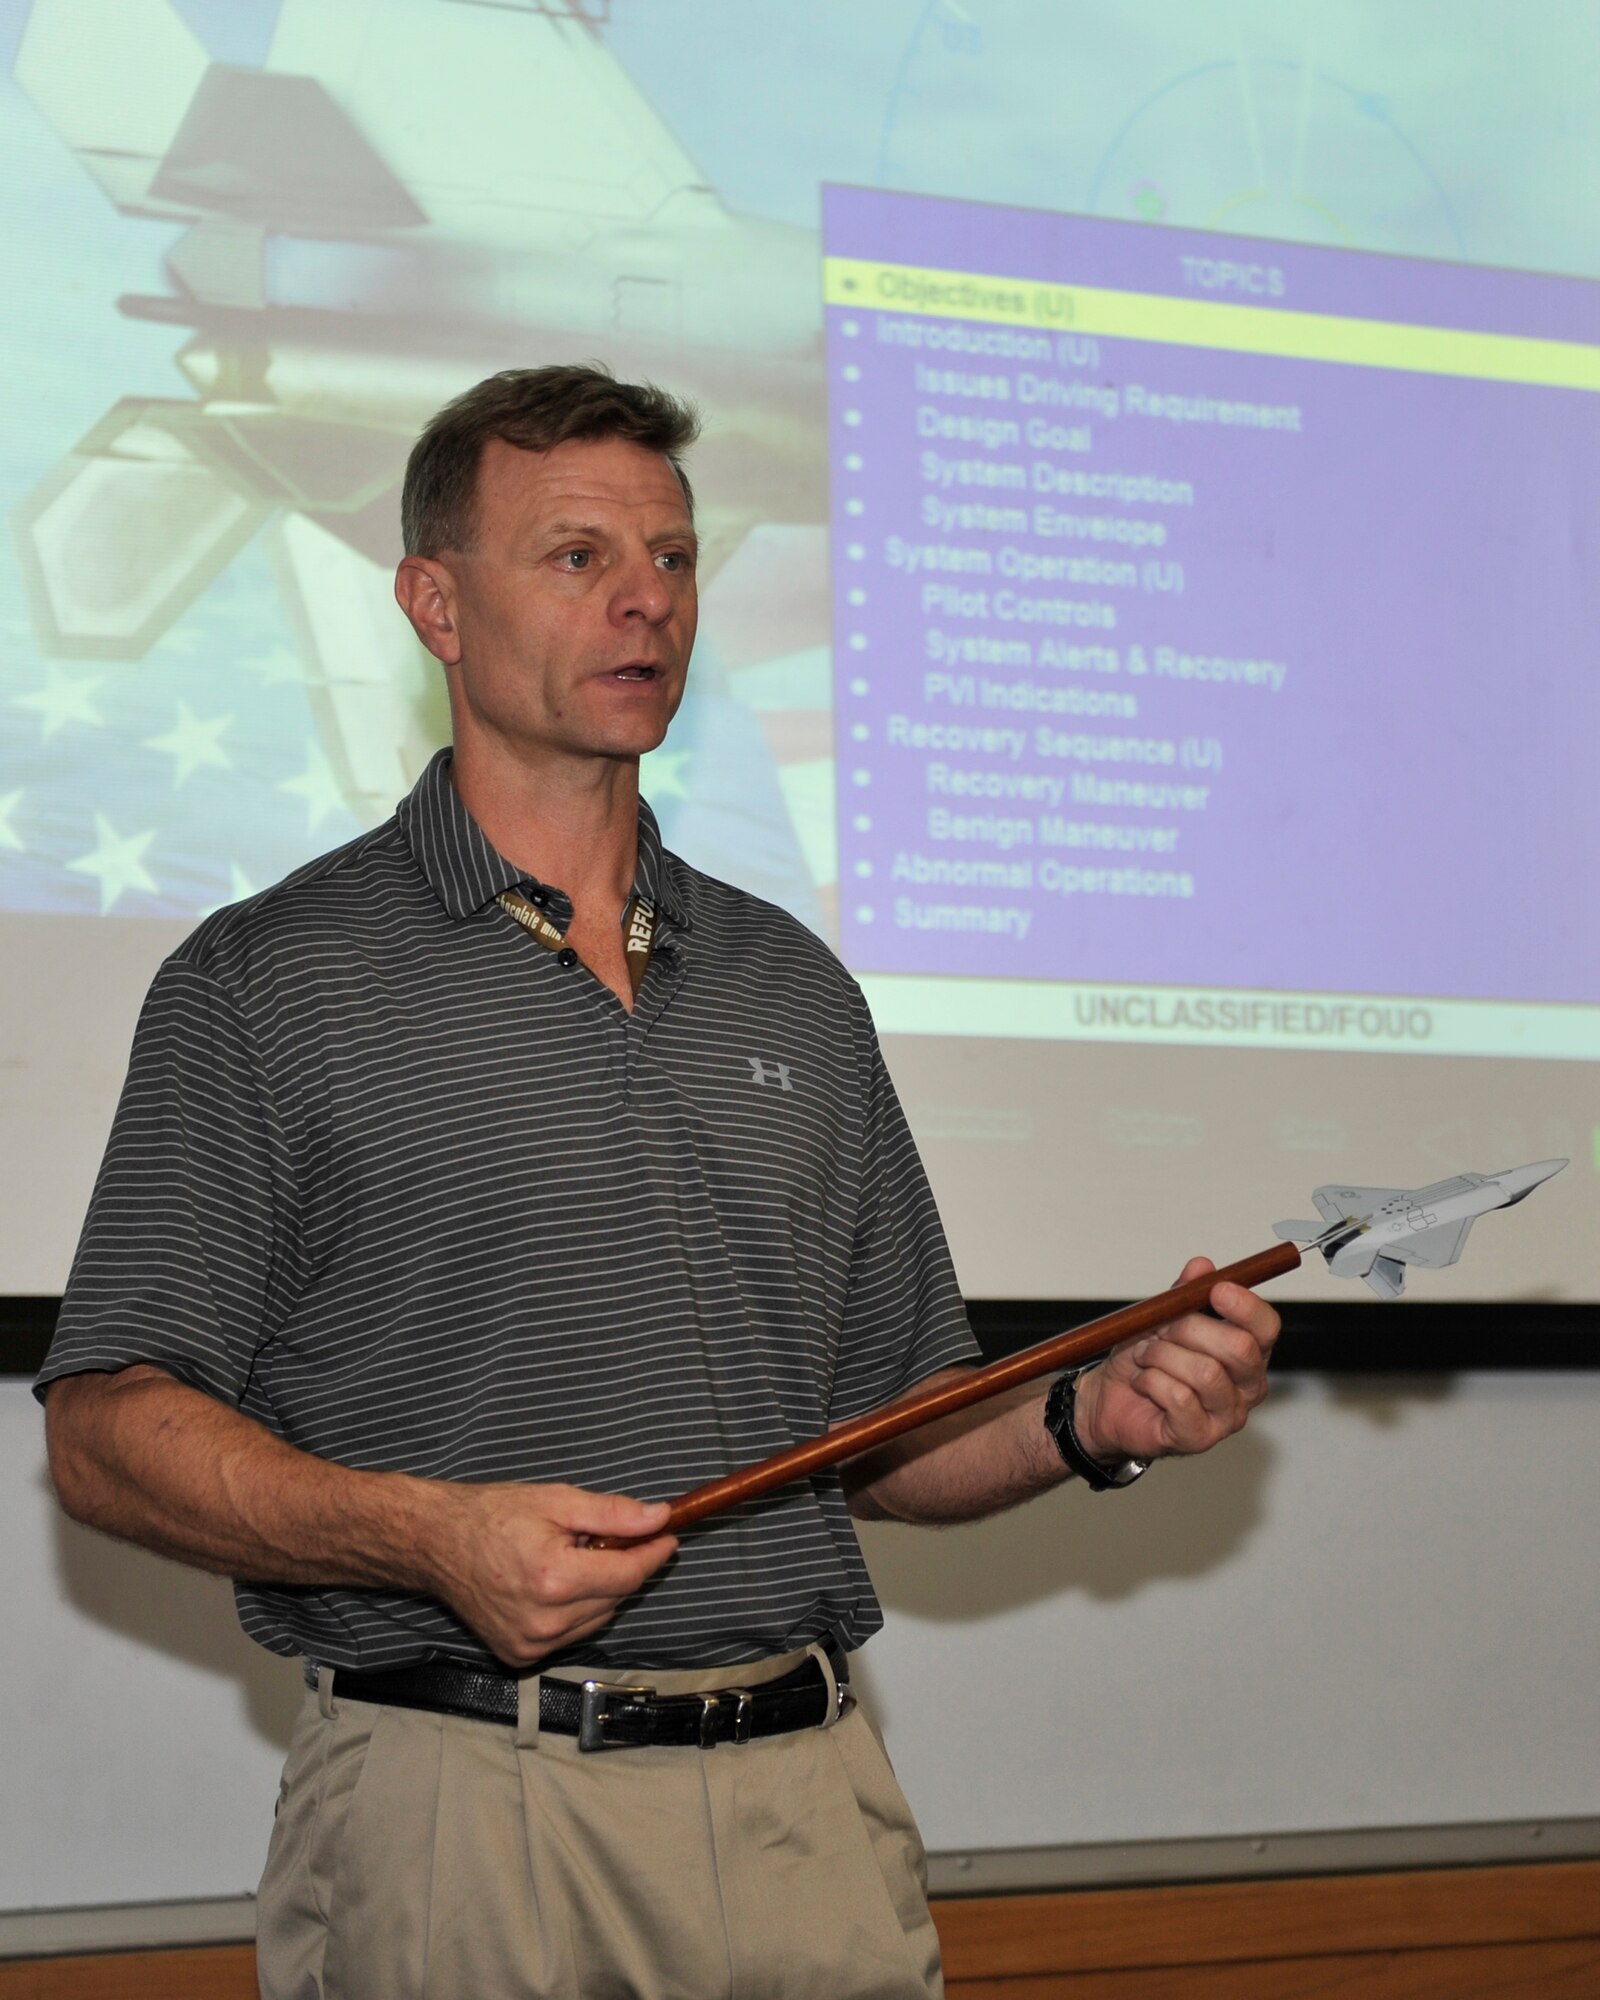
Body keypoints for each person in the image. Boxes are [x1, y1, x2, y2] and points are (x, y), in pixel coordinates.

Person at [38, 364, 1279, 2000]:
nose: (647, 601)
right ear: (434, 603)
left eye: (677, 559)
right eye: (577, 557)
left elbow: (893, 1431)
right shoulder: (272, 979)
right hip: (466, 1818)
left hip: (807, 1809)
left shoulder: (792, 988)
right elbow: (105, 1428)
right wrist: (429, 1539)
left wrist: (1081, 1419)